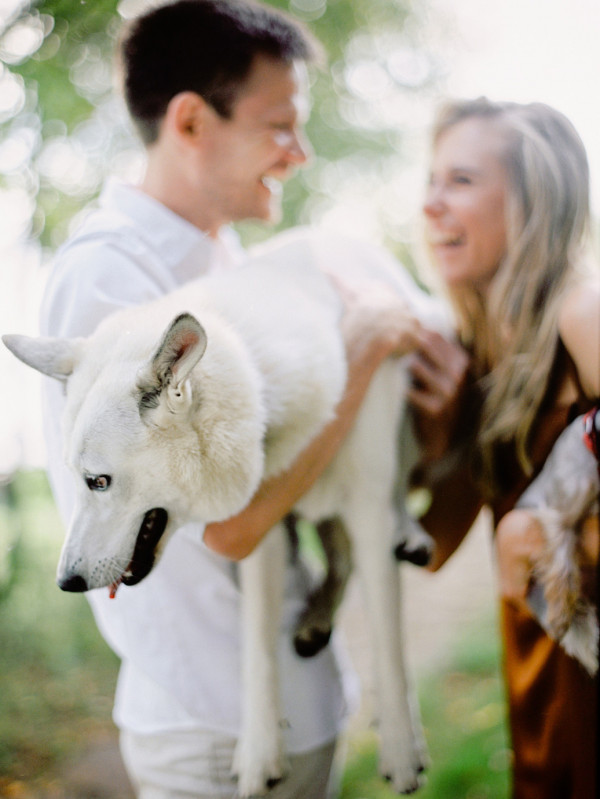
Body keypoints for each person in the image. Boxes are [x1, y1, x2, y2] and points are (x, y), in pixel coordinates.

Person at [39, 2, 423, 797]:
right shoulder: (108, 283)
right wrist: (360, 351)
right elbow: (232, 524)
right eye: (279, 125)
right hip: (218, 733)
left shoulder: (222, 256)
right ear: (190, 121)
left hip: (300, 699)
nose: (301, 152)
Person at [408, 97, 599, 799]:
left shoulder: (584, 315)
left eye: (460, 180)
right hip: (542, 689)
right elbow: (430, 547)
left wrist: (555, 526)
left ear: (532, 199)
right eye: (430, 181)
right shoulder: (473, 354)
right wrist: (439, 444)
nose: (430, 205)